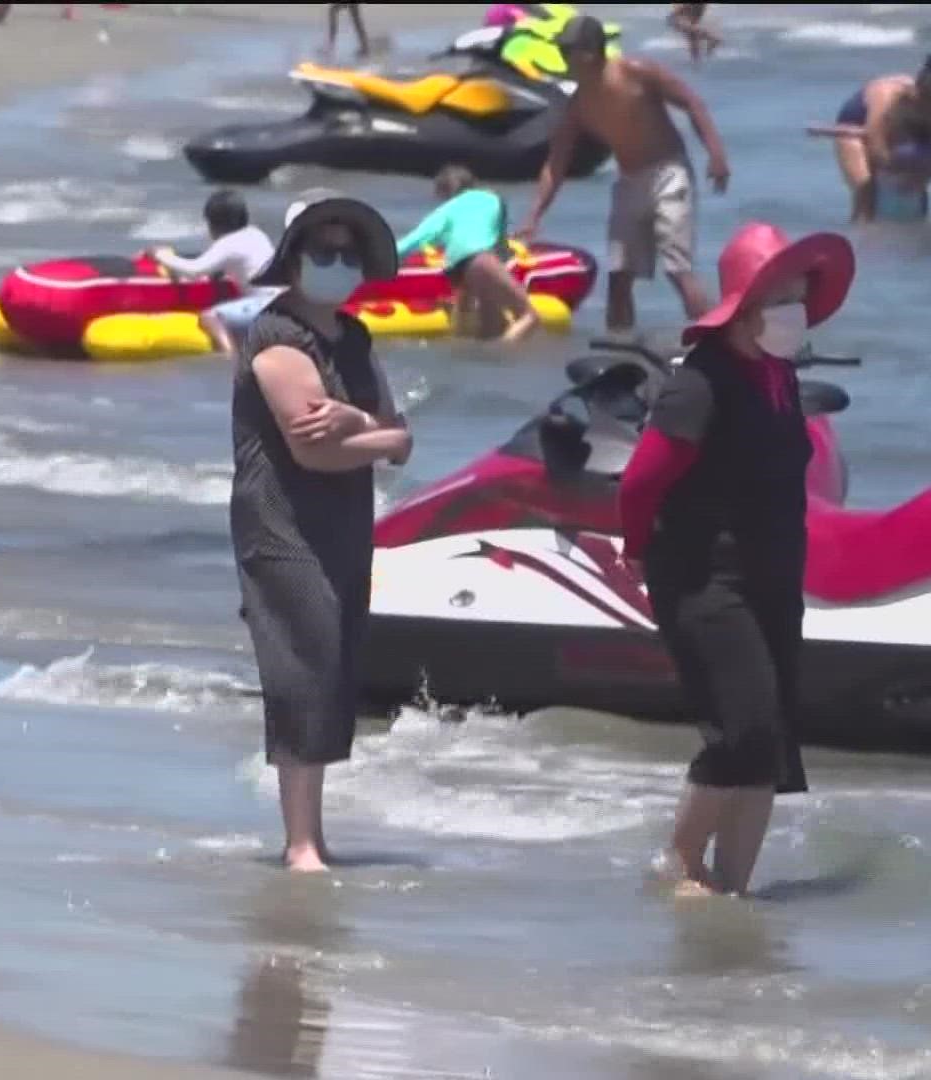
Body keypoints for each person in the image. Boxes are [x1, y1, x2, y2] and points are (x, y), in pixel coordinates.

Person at [617, 221, 855, 899]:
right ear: (744, 304)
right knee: (741, 726)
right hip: (703, 576)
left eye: (800, 293)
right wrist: (637, 550)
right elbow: (640, 482)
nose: (796, 307)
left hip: (773, 574)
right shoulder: (702, 382)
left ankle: (733, 888)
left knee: (771, 742)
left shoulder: (778, 374)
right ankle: (681, 866)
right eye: (781, 293)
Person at [231, 196, 411, 873]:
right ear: (294, 262)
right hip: (280, 521)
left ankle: (313, 836)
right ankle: (300, 844)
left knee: (333, 662)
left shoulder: (355, 338)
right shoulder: (277, 338)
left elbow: (398, 433)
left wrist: (363, 427)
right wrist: (377, 436)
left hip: (343, 521)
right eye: (322, 253)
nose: (336, 264)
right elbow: (312, 449)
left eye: (346, 254)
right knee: (300, 666)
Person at [518, 14, 730, 335]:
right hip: (629, 182)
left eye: (567, 52)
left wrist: (716, 156)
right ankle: (619, 351)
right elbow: (557, 162)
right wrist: (534, 216)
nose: (562, 59)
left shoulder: (637, 73)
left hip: (669, 173)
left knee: (677, 270)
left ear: (589, 53)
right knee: (618, 278)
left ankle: (720, 340)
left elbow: (692, 103)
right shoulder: (578, 105)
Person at [394, 165, 539, 342]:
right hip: (480, 259)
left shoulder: (445, 210)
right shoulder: (491, 198)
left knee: (493, 324)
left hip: (454, 269)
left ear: (443, 192)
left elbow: (414, 240)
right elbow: (499, 244)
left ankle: (475, 353)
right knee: (529, 316)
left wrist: (374, 254)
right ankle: (500, 354)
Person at [152, 190, 277, 357]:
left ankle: (227, 355)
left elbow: (194, 271)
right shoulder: (257, 234)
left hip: (267, 305)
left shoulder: (228, 242)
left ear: (215, 223)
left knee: (210, 317)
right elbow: (227, 266)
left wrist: (161, 256)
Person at [831, 54, 931, 224]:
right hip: (855, 126)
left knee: (921, 192)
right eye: (923, 106)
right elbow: (876, 146)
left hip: (902, 133)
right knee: (866, 190)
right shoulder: (886, 97)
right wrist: (894, 171)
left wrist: (920, 179)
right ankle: (859, 237)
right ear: (913, 93)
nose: (927, 112)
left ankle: (919, 240)